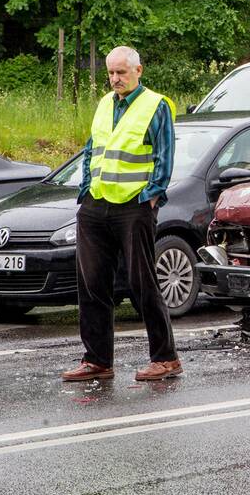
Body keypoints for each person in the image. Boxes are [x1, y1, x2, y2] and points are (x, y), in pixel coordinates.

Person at [61, 46, 183, 382]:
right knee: (92, 283)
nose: (115, 79)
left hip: (134, 205)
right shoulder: (104, 103)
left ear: (138, 71)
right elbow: (92, 149)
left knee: (141, 282)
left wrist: (152, 196)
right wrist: (86, 187)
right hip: (96, 203)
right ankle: (97, 360)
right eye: (111, 73)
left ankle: (166, 358)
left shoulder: (155, 105)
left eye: (121, 73)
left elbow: (164, 154)